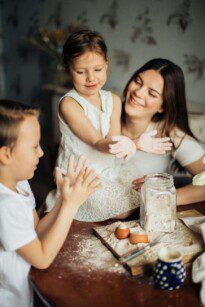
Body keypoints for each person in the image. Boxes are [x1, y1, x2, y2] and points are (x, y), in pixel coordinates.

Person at [46, 30, 172, 221]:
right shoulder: (69, 104)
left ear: (106, 64)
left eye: (97, 69)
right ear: (68, 68)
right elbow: (97, 142)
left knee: (142, 195)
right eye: (80, 72)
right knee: (121, 210)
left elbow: (113, 141)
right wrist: (135, 143)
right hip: (80, 174)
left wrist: (130, 143)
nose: (91, 78)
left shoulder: (113, 100)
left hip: (109, 168)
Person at [0, 100, 100, 307]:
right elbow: (42, 258)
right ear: (6, 155)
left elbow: (35, 231)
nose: (41, 153)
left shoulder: (19, 182)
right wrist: (72, 206)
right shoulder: (4, 205)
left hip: (26, 291)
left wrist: (64, 199)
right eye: (35, 146)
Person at [114, 58, 205, 205]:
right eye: (138, 81)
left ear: (163, 106)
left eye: (152, 93)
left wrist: (163, 195)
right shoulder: (106, 111)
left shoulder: (169, 135)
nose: (138, 92)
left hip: (140, 216)